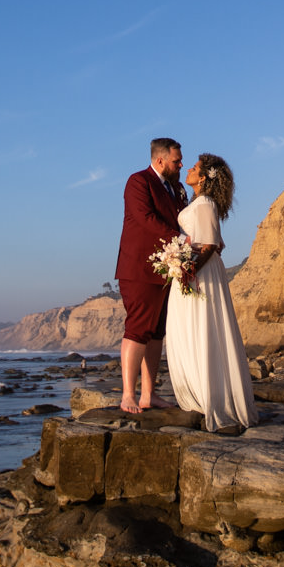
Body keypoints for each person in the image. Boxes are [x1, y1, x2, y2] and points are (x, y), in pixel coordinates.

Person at [164, 152, 258, 431]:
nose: (189, 170)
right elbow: (212, 242)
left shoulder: (204, 202)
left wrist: (187, 272)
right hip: (198, 268)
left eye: (194, 168)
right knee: (195, 329)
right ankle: (202, 393)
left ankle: (207, 397)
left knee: (200, 329)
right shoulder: (201, 202)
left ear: (203, 178)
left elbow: (208, 246)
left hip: (200, 273)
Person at [114, 137, 186, 414]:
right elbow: (145, 218)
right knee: (137, 329)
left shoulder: (177, 188)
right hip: (139, 269)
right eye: (176, 161)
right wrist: (180, 239)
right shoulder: (138, 182)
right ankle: (128, 395)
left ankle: (149, 394)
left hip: (167, 269)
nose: (181, 165)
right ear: (160, 161)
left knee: (157, 333)